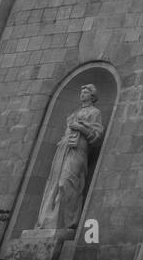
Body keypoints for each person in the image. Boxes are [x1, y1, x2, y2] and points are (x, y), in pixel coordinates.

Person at [36, 84, 104, 230]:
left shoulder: (95, 112)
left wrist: (81, 128)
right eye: (82, 92)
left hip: (78, 150)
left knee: (66, 183)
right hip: (64, 148)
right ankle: (49, 220)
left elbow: (97, 136)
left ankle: (67, 221)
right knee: (54, 184)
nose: (82, 94)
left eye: (85, 92)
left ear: (92, 96)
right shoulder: (75, 112)